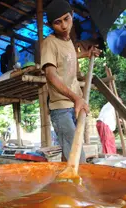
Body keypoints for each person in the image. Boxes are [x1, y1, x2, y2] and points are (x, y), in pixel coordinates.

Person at [42, 0, 101, 162]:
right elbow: (51, 75)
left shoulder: (69, 42)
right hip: (61, 108)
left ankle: (64, 186)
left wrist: (87, 54)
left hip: (74, 105)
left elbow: (69, 57)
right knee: (77, 158)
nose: (63, 25)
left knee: (69, 155)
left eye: (66, 19)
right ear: (50, 25)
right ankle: (78, 187)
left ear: (72, 16)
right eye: (57, 22)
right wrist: (76, 98)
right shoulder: (49, 43)